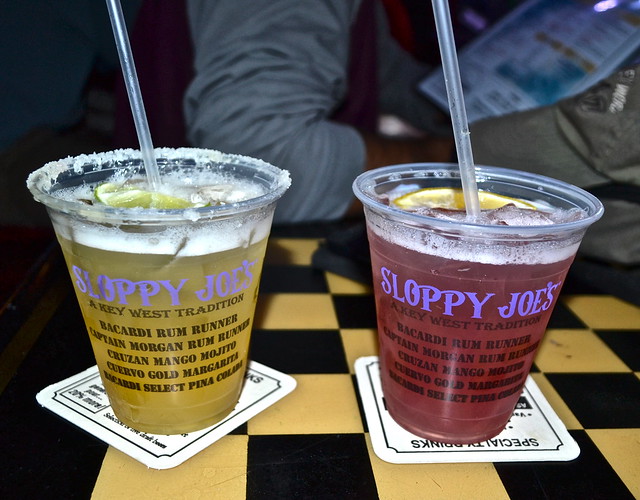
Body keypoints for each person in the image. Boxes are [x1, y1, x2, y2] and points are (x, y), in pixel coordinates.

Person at [184, 0, 640, 266]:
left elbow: (391, 77)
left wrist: (484, 106)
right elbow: (257, 164)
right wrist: (460, 155)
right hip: (220, 266)